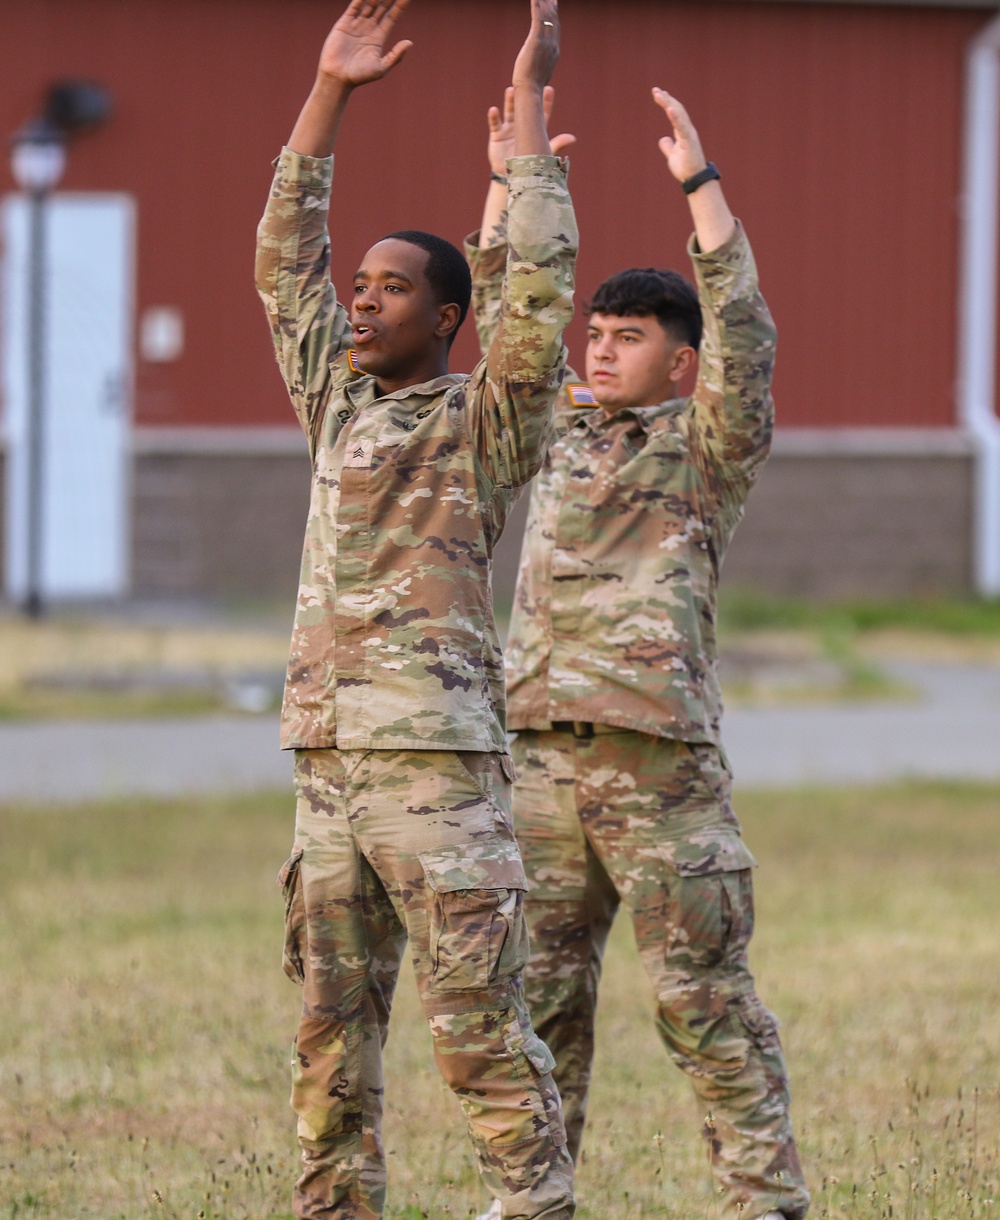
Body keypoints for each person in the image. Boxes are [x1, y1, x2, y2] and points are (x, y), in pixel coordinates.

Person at [254, 1, 579, 1215]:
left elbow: (537, 310)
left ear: (447, 320)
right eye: (363, 283)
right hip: (329, 761)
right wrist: (328, 91)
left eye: (391, 289)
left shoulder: (481, 425)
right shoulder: (337, 408)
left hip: (435, 769)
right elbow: (284, 261)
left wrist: (530, 129)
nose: (362, 300)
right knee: (329, 1038)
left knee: (477, 1027)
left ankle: (537, 1203)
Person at [467, 85, 810, 1220]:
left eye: (628, 340)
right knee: (536, 1004)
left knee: (702, 1000)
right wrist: (511, 184)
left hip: (658, 769)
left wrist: (701, 192)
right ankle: (535, 1201)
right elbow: (503, 321)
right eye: (598, 337)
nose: (602, 353)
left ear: (678, 361)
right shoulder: (555, 427)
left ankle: (762, 1200)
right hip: (540, 765)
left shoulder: (707, 447)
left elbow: (746, 336)